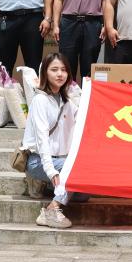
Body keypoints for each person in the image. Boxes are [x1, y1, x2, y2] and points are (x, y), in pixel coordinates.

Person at [22, 52, 81, 229]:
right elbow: (42, 139)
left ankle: (48, 186)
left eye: (63, 70)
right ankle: (51, 210)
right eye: (54, 70)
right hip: (38, 161)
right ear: (45, 73)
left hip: (61, 160)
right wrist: (50, 170)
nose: (60, 74)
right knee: (76, 171)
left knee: (84, 194)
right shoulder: (40, 100)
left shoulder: (67, 102)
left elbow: (83, 122)